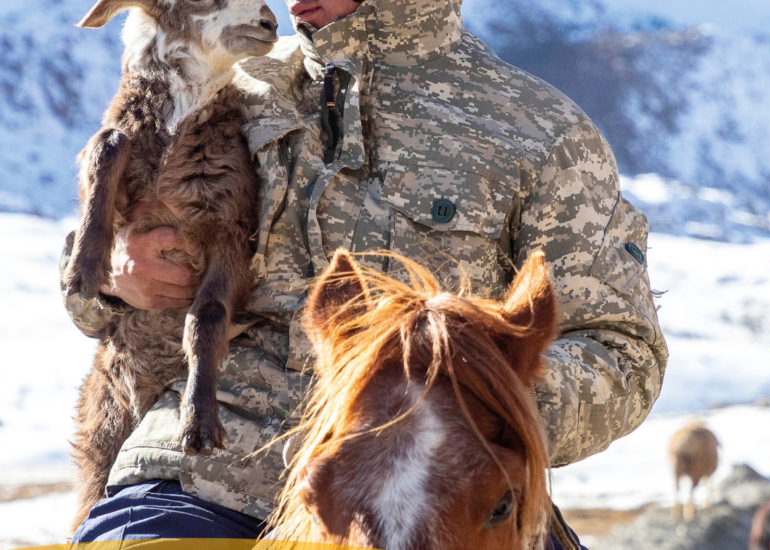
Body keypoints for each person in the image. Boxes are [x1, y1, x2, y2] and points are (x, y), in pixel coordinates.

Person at [62, 0, 668, 547]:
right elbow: (87, 276)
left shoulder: (541, 132)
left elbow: (621, 350)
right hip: (204, 477)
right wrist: (119, 277)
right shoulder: (225, 75)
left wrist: (474, 411)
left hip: (446, 500)